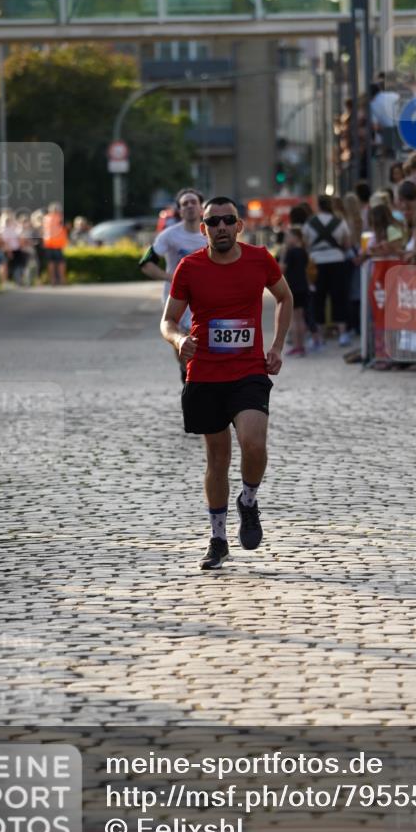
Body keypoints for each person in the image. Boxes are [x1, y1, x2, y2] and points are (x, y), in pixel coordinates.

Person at [160, 196, 292, 571]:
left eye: (227, 220)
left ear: (239, 226)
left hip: (248, 370)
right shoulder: (190, 267)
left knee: (254, 442)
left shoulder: (259, 259)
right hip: (204, 372)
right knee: (217, 458)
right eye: (212, 222)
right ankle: (218, 539)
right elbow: (167, 320)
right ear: (203, 229)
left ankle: (248, 501)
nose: (220, 227)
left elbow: (285, 297)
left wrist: (278, 346)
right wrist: (178, 340)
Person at [140, 188, 207, 382]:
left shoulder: (210, 233)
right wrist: (172, 277)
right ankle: (185, 371)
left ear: (201, 207)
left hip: (205, 295)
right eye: (184, 204)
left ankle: (201, 375)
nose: (189, 206)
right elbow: (145, 263)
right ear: (179, 210)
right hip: (176, 296)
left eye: (193, 202)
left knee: (202, 337)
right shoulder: (169, 235)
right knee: (180, 338)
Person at [303, 194, 352, 346]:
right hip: (337, 261)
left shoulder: (310, 223)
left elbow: (305, 244)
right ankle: (343, 334)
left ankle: (319, 336)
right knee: (339, 297)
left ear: (318, 205)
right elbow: (347, 243)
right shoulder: (340, 222)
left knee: (318, 299)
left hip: (317, 262)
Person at [280, 227, 309, 357]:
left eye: (288, 237)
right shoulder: (303, 251)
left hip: (293, 287)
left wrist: (283, 254)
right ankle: (301, 346)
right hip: (303, 286)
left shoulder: (290, 252)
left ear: (296, 237)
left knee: (295, 319)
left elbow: (282, 269)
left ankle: (298, 346)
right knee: (300, 317)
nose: (286, 240)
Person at [42, 201, 68, 285]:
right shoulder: (59, 218)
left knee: (51, 262)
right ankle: (62, 279)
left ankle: (53, 279)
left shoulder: (46, 218)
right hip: (58, 244)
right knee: (61, 262)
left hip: (48, 243)